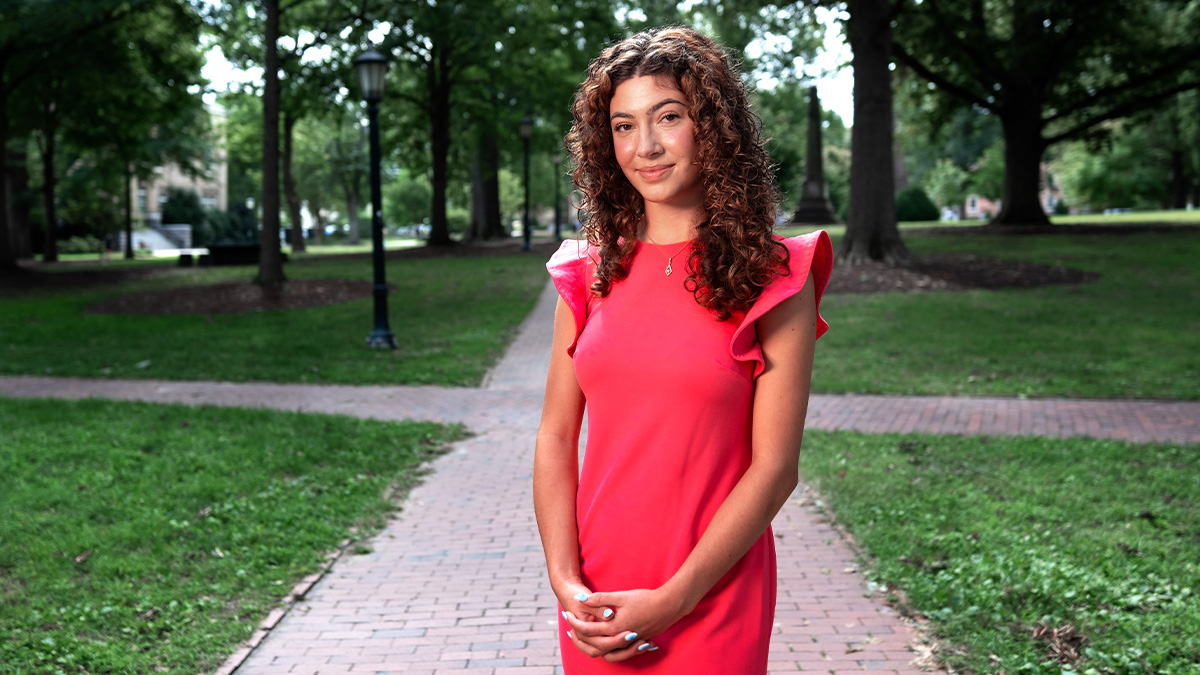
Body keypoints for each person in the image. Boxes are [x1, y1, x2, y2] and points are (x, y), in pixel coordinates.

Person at [534, 26, 832, 674]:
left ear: (712, 125)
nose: (645, 146)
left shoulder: (775, 276)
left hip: (713, 592)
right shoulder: (588, 274)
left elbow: (775, 467)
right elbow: (556, 437)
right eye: (622, 125)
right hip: (599, 597)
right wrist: (566, 582)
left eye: (668, 117)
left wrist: (675, 597)